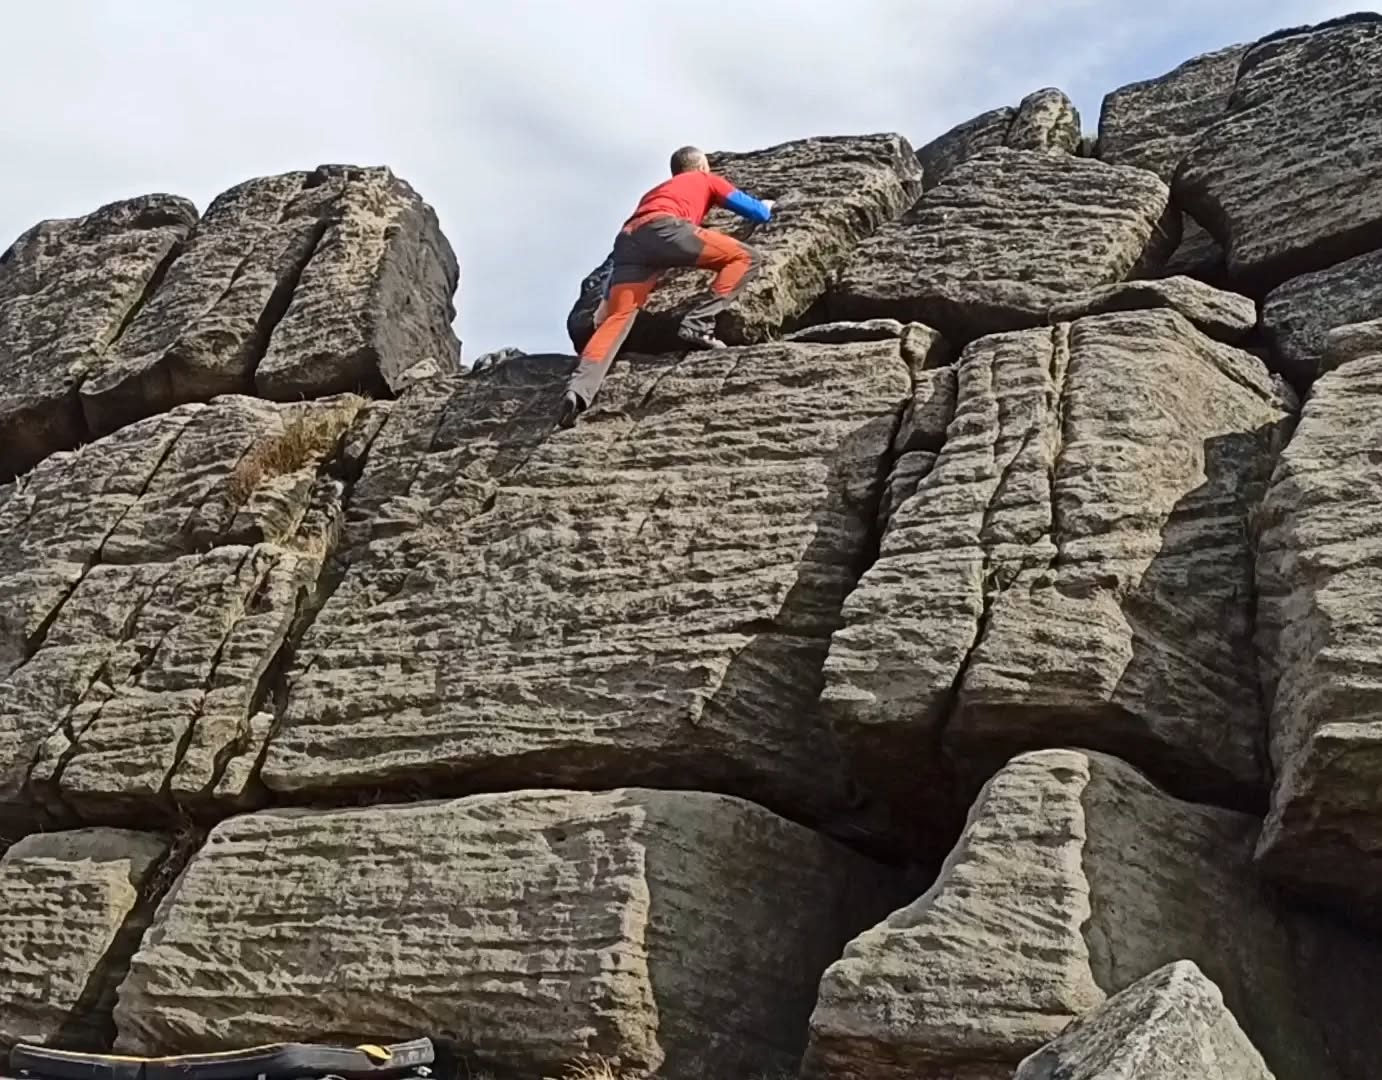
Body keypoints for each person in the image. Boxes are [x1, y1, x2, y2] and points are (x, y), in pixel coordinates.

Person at [559, 146, 774, 427]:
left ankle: (578, 391)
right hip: (666, 231)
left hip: (629, 240)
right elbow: (755, 212)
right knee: (746, 257)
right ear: (701, 166)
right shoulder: (706, 179)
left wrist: (605, 298)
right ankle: (699, 324)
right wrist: (768, 207)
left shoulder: (655, 191)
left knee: (618, 319)